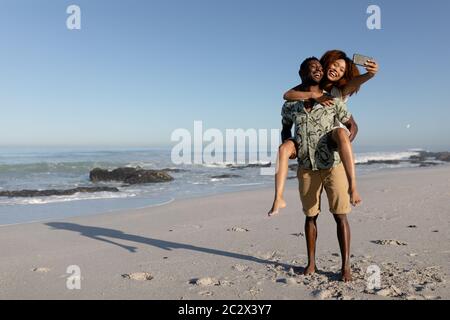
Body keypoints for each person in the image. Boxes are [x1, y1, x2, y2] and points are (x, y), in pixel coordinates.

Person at [268, 50, 378, 216]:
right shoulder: (309, 85)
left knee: (340, 132)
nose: (337, 70)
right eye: (335, 65)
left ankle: (353, 188)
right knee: (284, 149)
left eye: (342, 70)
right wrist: (313, 95)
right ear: (326, 63)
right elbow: (287, 95)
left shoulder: (337, 91)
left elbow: (353, 91)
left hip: (331, 137)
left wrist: (369, 75)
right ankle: (278, 198)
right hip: (309, 144)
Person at [281, 75, 356, 281]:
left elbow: (352, 125)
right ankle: (311, 262)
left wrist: (343, 142)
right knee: (310, 215)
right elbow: (286, 128)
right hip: (306, 167)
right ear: (302, 73)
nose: (317, 70)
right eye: (312, 67)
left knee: (340, 215)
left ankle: (345, 267)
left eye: (319, 68)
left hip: (333, 166)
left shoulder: (333, 101)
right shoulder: (291, 105)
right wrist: (290, 144)